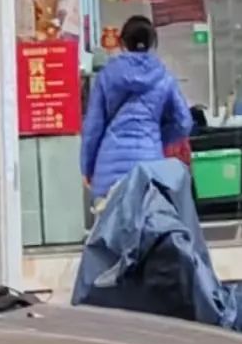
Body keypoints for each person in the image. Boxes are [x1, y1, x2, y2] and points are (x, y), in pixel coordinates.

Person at [80, 15, 193, 205]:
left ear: (122, 43)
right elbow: (183, 122)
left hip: (109, 172)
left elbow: (93, 127)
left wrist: (87, 168)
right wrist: (158, 137)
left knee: (110, 223)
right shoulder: (164, 77)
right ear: (152, 42)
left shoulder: (106, 76)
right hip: (150, 169)